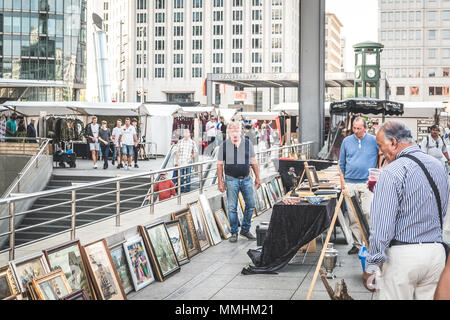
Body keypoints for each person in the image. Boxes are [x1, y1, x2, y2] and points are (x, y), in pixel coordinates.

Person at [362, 120, 449, 300]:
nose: (380, 151)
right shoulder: (438, 166)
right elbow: (443, 209)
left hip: (403, 257)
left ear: (393, 142)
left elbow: (381, 228)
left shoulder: (391, 172)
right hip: (436, 254)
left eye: (380, 145)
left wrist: (372, 265)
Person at [339, 117, 379, 255]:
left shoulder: (374, 141)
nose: (356, 131)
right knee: (353, 216)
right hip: (350, 182)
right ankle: (357, 244)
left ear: (365, 128)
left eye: (358, 128)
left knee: (368, 212)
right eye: (354, 128)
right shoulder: (347, 141)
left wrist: (377, 175)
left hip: (367, 183)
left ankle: (369, 242)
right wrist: (342, 181)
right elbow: (341, 162)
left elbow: (382, 156)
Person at [217, 122, 261, 243]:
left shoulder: (248, 144)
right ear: (229, 133)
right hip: (231, 180)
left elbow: (253, 161)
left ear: (241, 132)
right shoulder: (224, 146)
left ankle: (245, 229)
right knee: (232, 207)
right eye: (232, 131)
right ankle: (234, 232)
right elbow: (220, 165)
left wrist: (258, 177)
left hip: (246, 179)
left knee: (251, 204)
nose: (235, 133)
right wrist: (220, 182)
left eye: (237, 131)